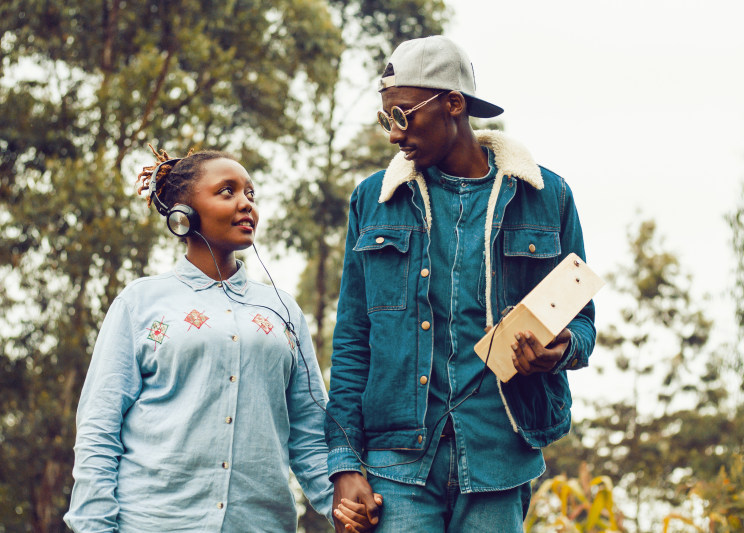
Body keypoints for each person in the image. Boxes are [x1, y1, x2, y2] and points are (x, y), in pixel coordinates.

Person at [325, 36, 597, 532]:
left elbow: (581, 323)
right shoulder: (372, 201)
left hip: (500, 451)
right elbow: (351, 342)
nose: (394, 134)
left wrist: (561, 350)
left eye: (403, 115)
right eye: (387, 119)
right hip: (399, 462)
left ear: (454, 104)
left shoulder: (546, 196)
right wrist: (344, 464)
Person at [64, 146, 378, 532]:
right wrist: (93, 526)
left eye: (250, 193)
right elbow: (99, 429)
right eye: (227, 191)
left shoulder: (283, 310)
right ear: (183, 215)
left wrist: (340, 505)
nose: (246, 204)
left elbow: (310, 432)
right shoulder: (139, 303)